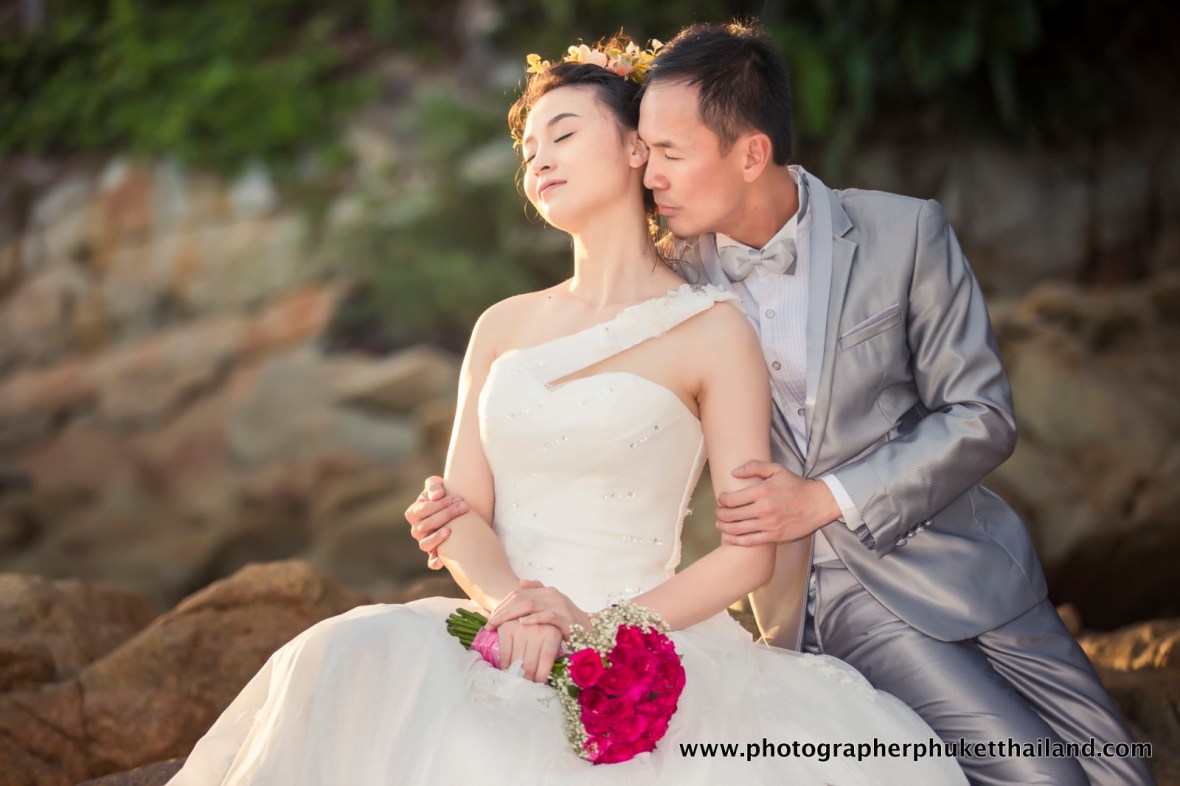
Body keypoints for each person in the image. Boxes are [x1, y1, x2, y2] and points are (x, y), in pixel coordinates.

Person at [167, 35, 968, 785]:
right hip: (505, 620)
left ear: (635, 150)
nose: (537, 160)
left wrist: (594, 627)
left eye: (561, 134)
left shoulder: (711, 327)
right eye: (527, 150)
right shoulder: (502, 325)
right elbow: (459, 511)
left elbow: (747, 555)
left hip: (636, 628)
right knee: (337, 658)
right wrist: (520, 609)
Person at [406, 21, 1156, 786]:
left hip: (963, 559)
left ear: (751, 152)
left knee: (1121, 771)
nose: (651, 173)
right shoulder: (674, 291)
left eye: (669, 153)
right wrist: (464, 513)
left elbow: (983, 414)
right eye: (644, 148)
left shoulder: (904, 232)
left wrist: (823, 498)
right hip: (823, 593)